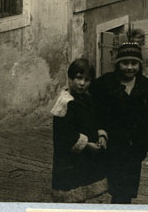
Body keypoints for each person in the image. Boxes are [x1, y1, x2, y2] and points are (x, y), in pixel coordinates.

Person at [91, 42, 148, 204]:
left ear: (139, 65)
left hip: (135, 148)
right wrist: (100, 132)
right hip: (113, 146)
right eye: (125, 63)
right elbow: (94, 111)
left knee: (127, 190)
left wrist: (145, 142)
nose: (129, 67)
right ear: (118, 63)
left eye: (134, 63)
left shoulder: (146, 86)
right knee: (116, 189)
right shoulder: (105, 84)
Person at [51, 58, 108, 203]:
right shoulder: (65, 103)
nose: (82, 83)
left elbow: (95, 120)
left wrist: (101, 135)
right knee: (71, 193)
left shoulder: (87, 99)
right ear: (70, 79)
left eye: (87, 80)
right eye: (78, 78)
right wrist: (86, 145)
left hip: (84, 157)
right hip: (69, 158)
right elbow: (63, 133)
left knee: (82, 190)